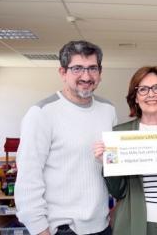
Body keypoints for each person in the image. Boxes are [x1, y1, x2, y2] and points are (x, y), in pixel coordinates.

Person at [14, 40, 117, 235]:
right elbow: (28, 179)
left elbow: (111, 165)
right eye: (77, 68)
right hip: (62, 229)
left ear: (100, 73)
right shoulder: (41, 113)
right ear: (63, 72)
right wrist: (39, 229)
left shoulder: (108, 110)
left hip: (102, 226)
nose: (86, 76)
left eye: (92, 68)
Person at [94, 66, 157, 235]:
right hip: (132, 223)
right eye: (143, 89)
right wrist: (106, 163)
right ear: (135, 98)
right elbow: (117, 191)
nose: (151, 94)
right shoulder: (120, 134)